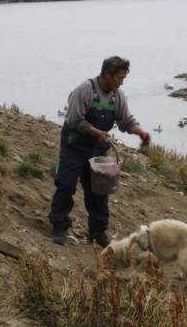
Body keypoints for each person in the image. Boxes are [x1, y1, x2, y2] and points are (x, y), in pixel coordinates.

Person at [49, 56, 151, 246]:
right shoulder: (85, 90)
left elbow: (125, 121)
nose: (121, 83)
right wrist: (97, 133)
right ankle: (59, 226)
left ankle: (97, 232)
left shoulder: (117, 96)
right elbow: (74, 120)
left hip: (98, 150)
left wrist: (140, 132)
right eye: (119, 78)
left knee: (99, 192)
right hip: (74, 147)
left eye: (123, 79)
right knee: (66, 186)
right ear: (106, 74)